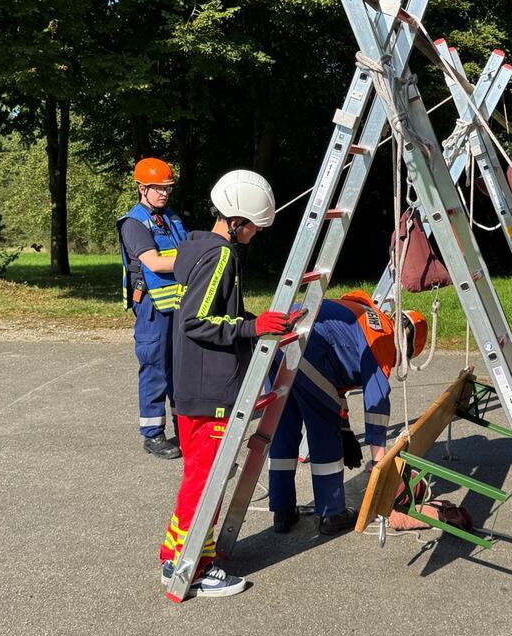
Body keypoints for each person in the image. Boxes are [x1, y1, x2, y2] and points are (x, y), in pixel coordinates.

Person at [160, 170, 303, 597]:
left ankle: (187, 556)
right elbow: (196, 321)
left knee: (202, 477)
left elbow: (209, 312)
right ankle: (184, 567)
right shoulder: (220, 256)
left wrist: (254, 323)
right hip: (210, 388)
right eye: (256, 225)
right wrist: (250, 327)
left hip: (195, 384)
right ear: (238, 220)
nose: (257, 232)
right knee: (206, 479)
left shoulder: (198, 248)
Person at [267, 291, 428, 537]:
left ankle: (282, 510)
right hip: (305, 344)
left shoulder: (371, 319)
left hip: (279, 335)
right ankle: (332, 514)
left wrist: (346, 429)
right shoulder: (383, 340)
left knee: (285, 428)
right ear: (408, 349)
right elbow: (376, 403)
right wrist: (380, 462)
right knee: (324, 430)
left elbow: (334, 376)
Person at [117, 157, 187, 460]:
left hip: (177, 307)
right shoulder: (133, 224)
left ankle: (183, 428)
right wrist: (198, 259)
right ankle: (153, 435)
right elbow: (155, 263)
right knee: (155, 369)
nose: (164, 194)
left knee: (179, 371)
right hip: (152, 310)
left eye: (167, 188)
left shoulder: (170, 217)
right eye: (158, 188)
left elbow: (185, 246)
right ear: (141, 188)